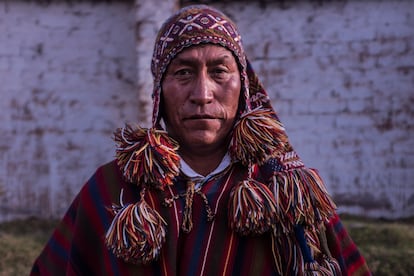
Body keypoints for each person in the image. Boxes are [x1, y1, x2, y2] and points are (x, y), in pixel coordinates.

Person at [31, 5, 370, 275]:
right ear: (158, 92)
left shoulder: (289, 192)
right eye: (183, 72)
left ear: (244, 87)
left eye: (220, 72)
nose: (202, 94)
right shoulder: (111, 189)